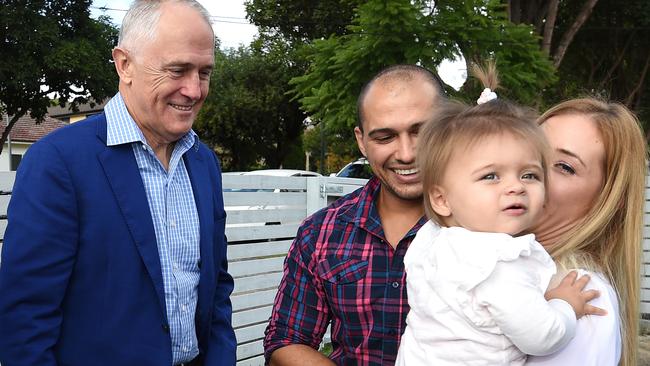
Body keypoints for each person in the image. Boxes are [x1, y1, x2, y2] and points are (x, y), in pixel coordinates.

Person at [0, 1, 236, 365]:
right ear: (125, 64)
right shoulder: (58, 163)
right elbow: (25, 321)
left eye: (204, 72)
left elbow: (216, 286)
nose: (194, 90)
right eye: (177, 70)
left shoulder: (203, 162)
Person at [395, 66, 601, 365]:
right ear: (441, 199)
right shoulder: (496, 264)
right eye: (491, 176)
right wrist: (565, 305)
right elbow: (543, 335)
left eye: (529, 174)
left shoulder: (432, 240)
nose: (515, 187)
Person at [263, 64, 447, 365]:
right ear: (362, 141)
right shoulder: (321, 232)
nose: (406, 153)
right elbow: (286, 340)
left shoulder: (487, 226)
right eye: (385, 137)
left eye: (422, 131)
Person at [526, 98, 647, 366]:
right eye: (531, 151)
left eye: (564, 167)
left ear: (607, 201)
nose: (531, 170)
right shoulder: (504, 262)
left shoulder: (581, 298)